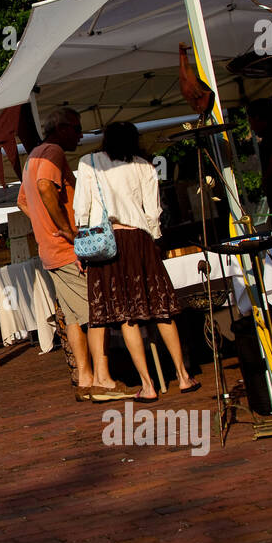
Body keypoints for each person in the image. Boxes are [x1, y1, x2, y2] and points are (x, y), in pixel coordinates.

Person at [75, 121, 203, 402]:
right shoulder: (145, 165)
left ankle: (148, 384)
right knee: (160, 309)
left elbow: (81, 208)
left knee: (126, 316)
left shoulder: (89, 162)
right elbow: (154, 211)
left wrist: (82, 243)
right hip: (141, 240)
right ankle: (182, 376)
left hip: (107, 244)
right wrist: (152, 240)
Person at [17, 107, 133, 402]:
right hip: (66, 250)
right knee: (97, 313)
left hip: (51, 251)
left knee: (73, 317)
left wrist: (45, 226)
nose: (81, 135)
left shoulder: (34, 156)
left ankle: (84, 378)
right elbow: (44, 187)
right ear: (62, 128)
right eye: (77, 128)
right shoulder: (52, 151)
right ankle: (103, 381)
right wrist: (67, 229)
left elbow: (23, 201)